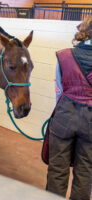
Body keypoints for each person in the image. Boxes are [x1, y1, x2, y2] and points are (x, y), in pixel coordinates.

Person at [46, 16, 92, 200]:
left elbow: (59, 90)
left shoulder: (64, 55)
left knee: (57, 168)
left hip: (64, 115)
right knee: (86, 170)